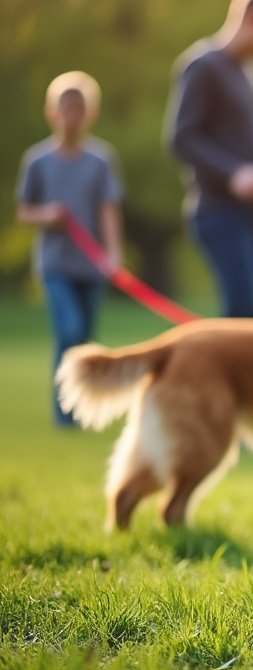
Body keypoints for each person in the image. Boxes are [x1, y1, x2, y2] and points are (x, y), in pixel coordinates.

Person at [166, 0, 253, 319]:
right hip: (218, 213)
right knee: (245, 312)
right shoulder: (203, 65)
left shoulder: (251, 76)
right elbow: (182, 138)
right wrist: (233, 174)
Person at [16, 71, 125, 428]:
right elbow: (24, 210)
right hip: (55, 264)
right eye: (65, 109)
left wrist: (113, 254)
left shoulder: (100, 160)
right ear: (52, 112)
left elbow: (108, 208)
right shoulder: (37, 161)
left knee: (85, 340)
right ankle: (64, 415)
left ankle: (80, 410)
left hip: (90, 265)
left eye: (79, 110)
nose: (71, 117)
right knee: (70, 331)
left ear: (89, 114)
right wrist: (47, 215)